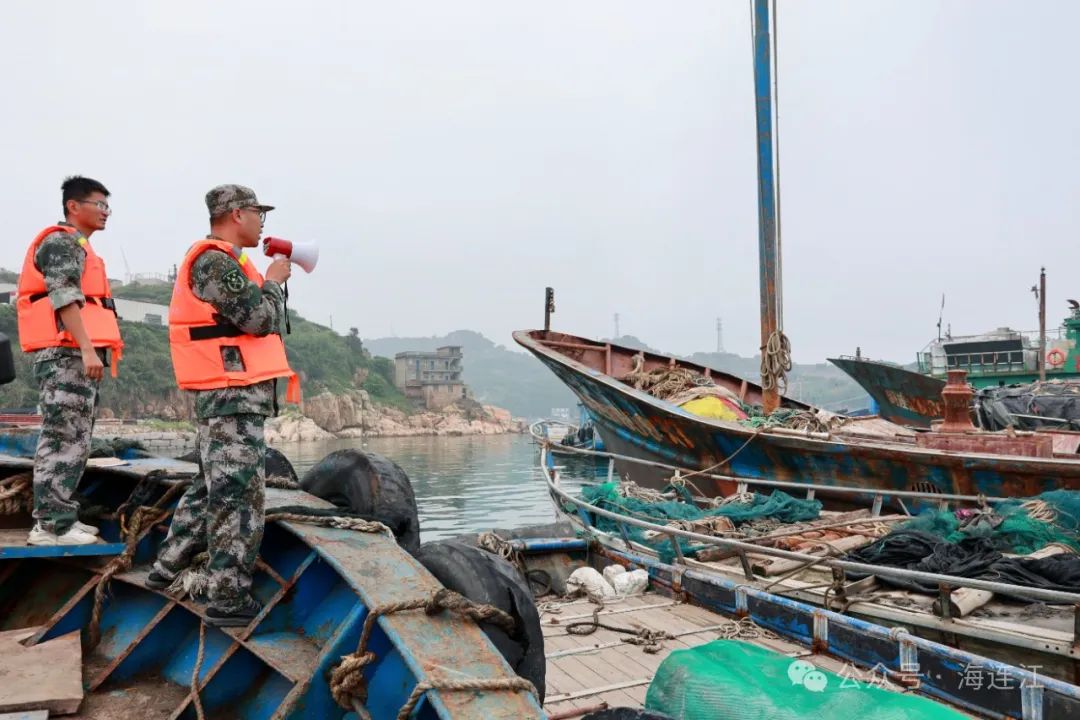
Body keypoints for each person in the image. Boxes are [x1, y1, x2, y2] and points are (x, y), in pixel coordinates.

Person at [147, 184, 298, 626]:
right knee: (238, 497)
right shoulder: (215, 261)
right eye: (258, 214)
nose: (261, 222)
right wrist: (272, 283)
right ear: (236, 214)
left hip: (229, 393)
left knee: (210, 484)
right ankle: (228, 599)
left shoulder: (226, 262)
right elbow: (259, 318)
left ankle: (166, 566)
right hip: (230, 394)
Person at [18, 176, 123, 546]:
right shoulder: (62, 242)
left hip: (72, 354)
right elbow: (64, 298)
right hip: (66, 354)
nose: (106, 212)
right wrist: (87, 348)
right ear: (73, 206)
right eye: (99, 204)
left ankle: (61, 517)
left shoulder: (78, 246)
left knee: (75, 437)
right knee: (63, 436)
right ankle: (50, 526)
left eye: (108, 206)